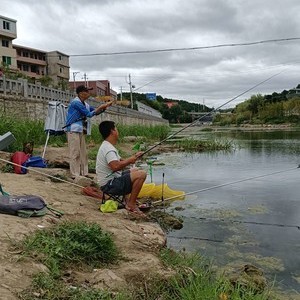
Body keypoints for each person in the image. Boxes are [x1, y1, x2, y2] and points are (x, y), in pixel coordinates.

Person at [96, 120, 147, 217]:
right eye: (116, 129)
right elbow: (115, 166)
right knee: (142, 174)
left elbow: (120, 161)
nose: (117, 131)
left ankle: (127, 200)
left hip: (111, 181)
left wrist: (134, 157)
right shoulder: (108, 149)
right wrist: (130, 160)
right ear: (112, 131)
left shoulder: (107, 146)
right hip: (110, 185)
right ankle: (131, 204)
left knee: (135, 170)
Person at [65, 85, 113, 179]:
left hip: (81, 130)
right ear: (80, 93)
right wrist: (102, 106)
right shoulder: (76, 103)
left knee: (83, 152)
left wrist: (104, 108)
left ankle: (84, 173)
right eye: (86, 91)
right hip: (73, 129)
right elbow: (89, 114)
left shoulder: (85, 104)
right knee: (75, 152)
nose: (88, 93)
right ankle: (75, 174)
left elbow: (94, 111)